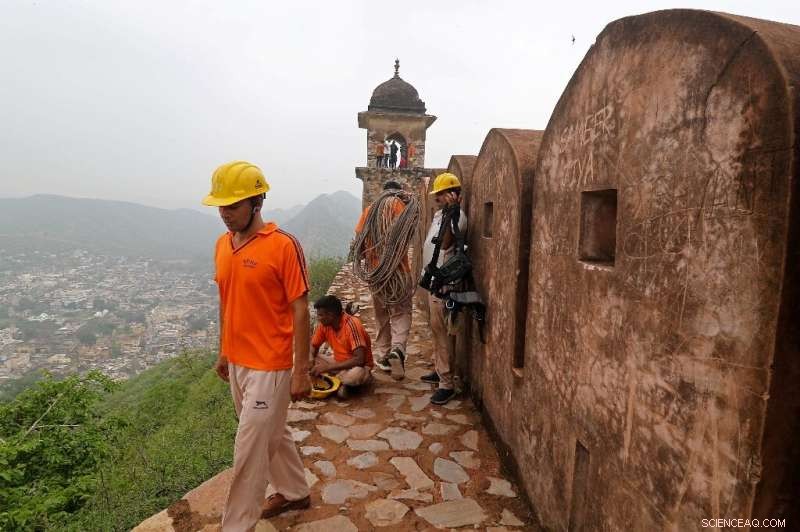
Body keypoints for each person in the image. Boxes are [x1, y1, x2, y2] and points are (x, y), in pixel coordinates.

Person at [202, 160, 312, 530]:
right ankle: (296, 491)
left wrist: (302, 371)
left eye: (232, 206)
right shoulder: (222, 245)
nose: (224, 214)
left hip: (272, 364)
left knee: (249, 451)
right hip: (238, 362)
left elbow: (300, 310)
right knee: (273, 432)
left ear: (257, 201)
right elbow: (226, 300)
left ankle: (236, 525)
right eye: (221, 205)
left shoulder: (283, 246)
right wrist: (224, 350)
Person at [354, 180, 413, 379]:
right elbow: (410, 233)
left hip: (376, 274)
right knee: (400, 313)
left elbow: (359, 243)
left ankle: (384, 354)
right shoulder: (402, 207)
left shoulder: (369, 210)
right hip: (399, 273)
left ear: (383, 191)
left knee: (381, 316)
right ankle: (398, 350)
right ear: (397, 192)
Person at [421, 172, 467, 405]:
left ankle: (447, 383)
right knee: (436, 330)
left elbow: (447, 243)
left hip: (445, 286)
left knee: (444, 334)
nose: (436, 201)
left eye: (440, 196)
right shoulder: (439, 216)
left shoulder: (456, 217)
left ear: (452, 194)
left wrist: (452, 211)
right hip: (433, 281)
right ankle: (439, 370)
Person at [310, 295, 374, 399]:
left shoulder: (352, 325)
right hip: (338, 364)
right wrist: (310, 359)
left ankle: (354, 381)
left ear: (330, 315)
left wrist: (327, 367)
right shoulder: (324, 326)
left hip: (357, 367)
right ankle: (341, 383)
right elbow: (313, 346)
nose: (319, 318)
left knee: (354, 376)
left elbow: (360, 359)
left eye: (321, 315)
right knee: (303, 357)